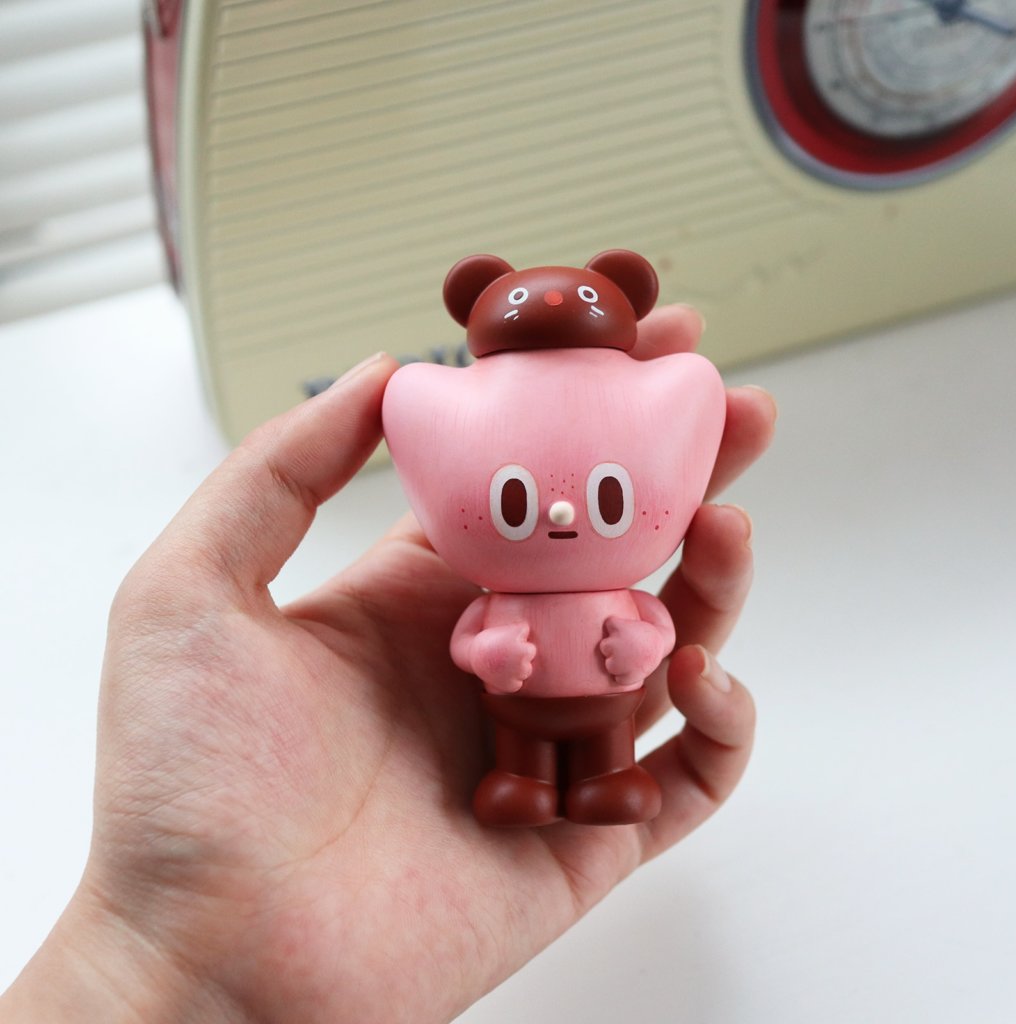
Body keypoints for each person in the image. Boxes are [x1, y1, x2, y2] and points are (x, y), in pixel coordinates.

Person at [0, 306, 774, 1024]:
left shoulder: (616, 589)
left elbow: (657, 628)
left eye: (607, 498)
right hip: (517, 713)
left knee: (607, 746)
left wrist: (642, 645)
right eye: (513, 502)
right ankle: (526, 780)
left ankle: (608, 776)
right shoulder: (498, 595)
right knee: (522, 753)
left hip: (607, 708)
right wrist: (493, 652)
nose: (563, 512)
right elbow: (470, 638)